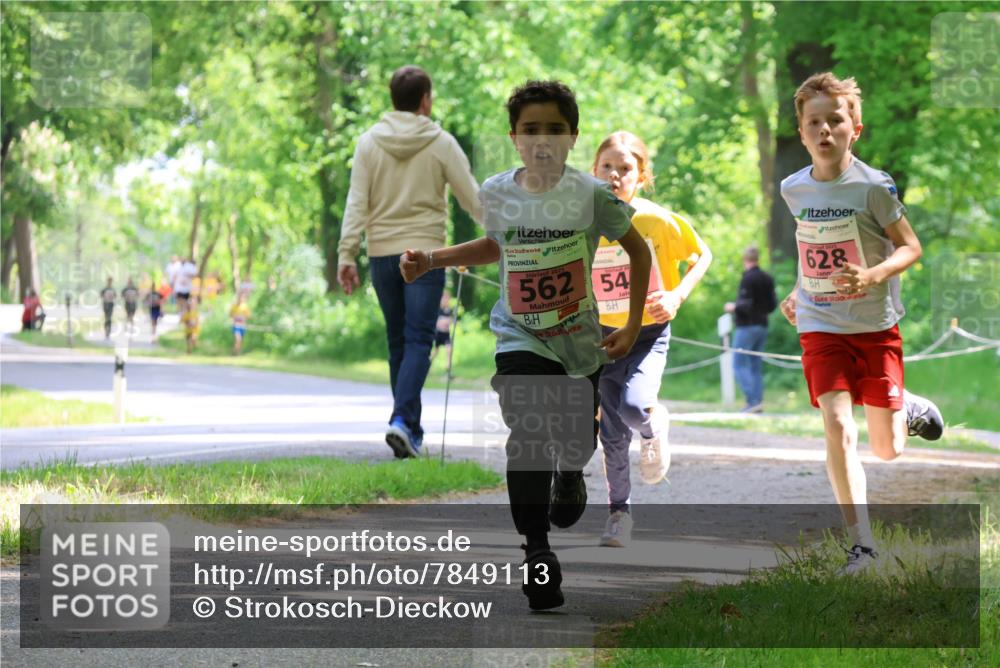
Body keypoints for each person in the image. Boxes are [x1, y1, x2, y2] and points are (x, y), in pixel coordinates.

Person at [401, 80, 651, 611]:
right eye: (531, 130)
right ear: (514, 137)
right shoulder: (497, 192)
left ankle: (570, 471)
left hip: (579, 346)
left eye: (554, 130)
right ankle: (536, 552)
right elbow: (497, 244)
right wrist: (432, 259)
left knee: (575, 444)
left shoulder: (590, 195)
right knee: (526, 433)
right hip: (519, 336)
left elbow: (638, 250)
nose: (542, 140)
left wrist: (629, 326)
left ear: (573, 137)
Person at [778, 72, 944, 575]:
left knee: (887, 449)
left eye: (836, 120)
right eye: (814, 122)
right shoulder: (793, 188)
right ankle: (862, 544)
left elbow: (911, 246)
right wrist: (796, 290)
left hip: (874, 327)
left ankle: (906, 405)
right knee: (835, 424)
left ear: (857, 129)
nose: (825, 129)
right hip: (820, 323)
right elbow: (814, 248)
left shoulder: (874, 187)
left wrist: (873, 274)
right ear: (802, 133)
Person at [337, 65, 482, 459]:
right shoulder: (441, 142)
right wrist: (507, 237)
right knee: (419, 339)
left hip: (382, 253)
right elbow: (472, 197)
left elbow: (357, 202)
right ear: (425, 99)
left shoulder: (369, 143)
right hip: (425, 256)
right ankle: (403, 421)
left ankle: (409, 432)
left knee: (399, 340)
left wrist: (346, 253)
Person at [591, 131, 713, 548]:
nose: (614, 175)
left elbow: (703, 255)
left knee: (632, 406)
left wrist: (677, 295)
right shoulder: (581, 222)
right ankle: (618, 514)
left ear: (641, 176)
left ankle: (652, 425)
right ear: (594, 171)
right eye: (607, 166)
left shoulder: (655, 220)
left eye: (625, 169)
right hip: (601, 339)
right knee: (609, 434)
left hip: (647, 333)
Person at [725, 246, 778, 413]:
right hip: (762, 325)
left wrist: (733, 307)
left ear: (745, 260)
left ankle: (752, 400)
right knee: (756, 365)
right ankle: (758, 401)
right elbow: (773, 303)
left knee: (738, 363)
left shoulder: (748, 278)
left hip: (747, 326)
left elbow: (745, 304)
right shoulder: (767, 278)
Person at [429, 289, 454, 364]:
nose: (446, 301)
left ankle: (448, 366)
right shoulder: (438, 310)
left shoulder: (450, 310)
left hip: (446, 334)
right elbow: (435, 321)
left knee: (449, 349)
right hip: (438, 334)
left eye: (448, 299)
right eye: (444, 299)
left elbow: (452, 320)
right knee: (436, 351)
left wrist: (450, 321)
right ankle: (428, 362)